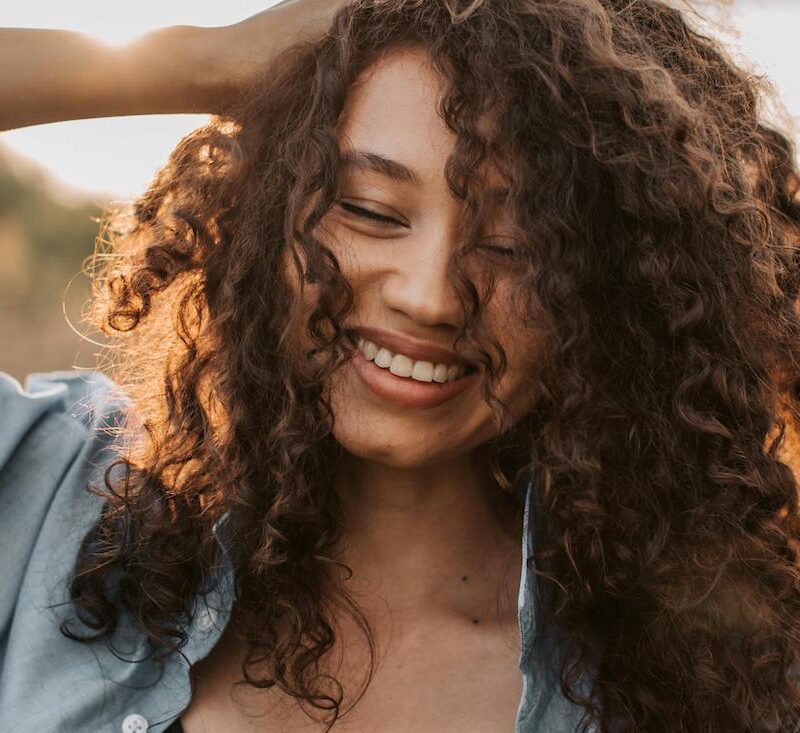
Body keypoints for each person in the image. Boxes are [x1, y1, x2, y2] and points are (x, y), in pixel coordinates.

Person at [2, 0, 800, 730]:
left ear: (605, 292)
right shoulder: (56, 508)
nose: (431, 296)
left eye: (517, 248)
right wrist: (206, 61)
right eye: (369, 210)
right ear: (264, 213)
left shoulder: (705, 682)